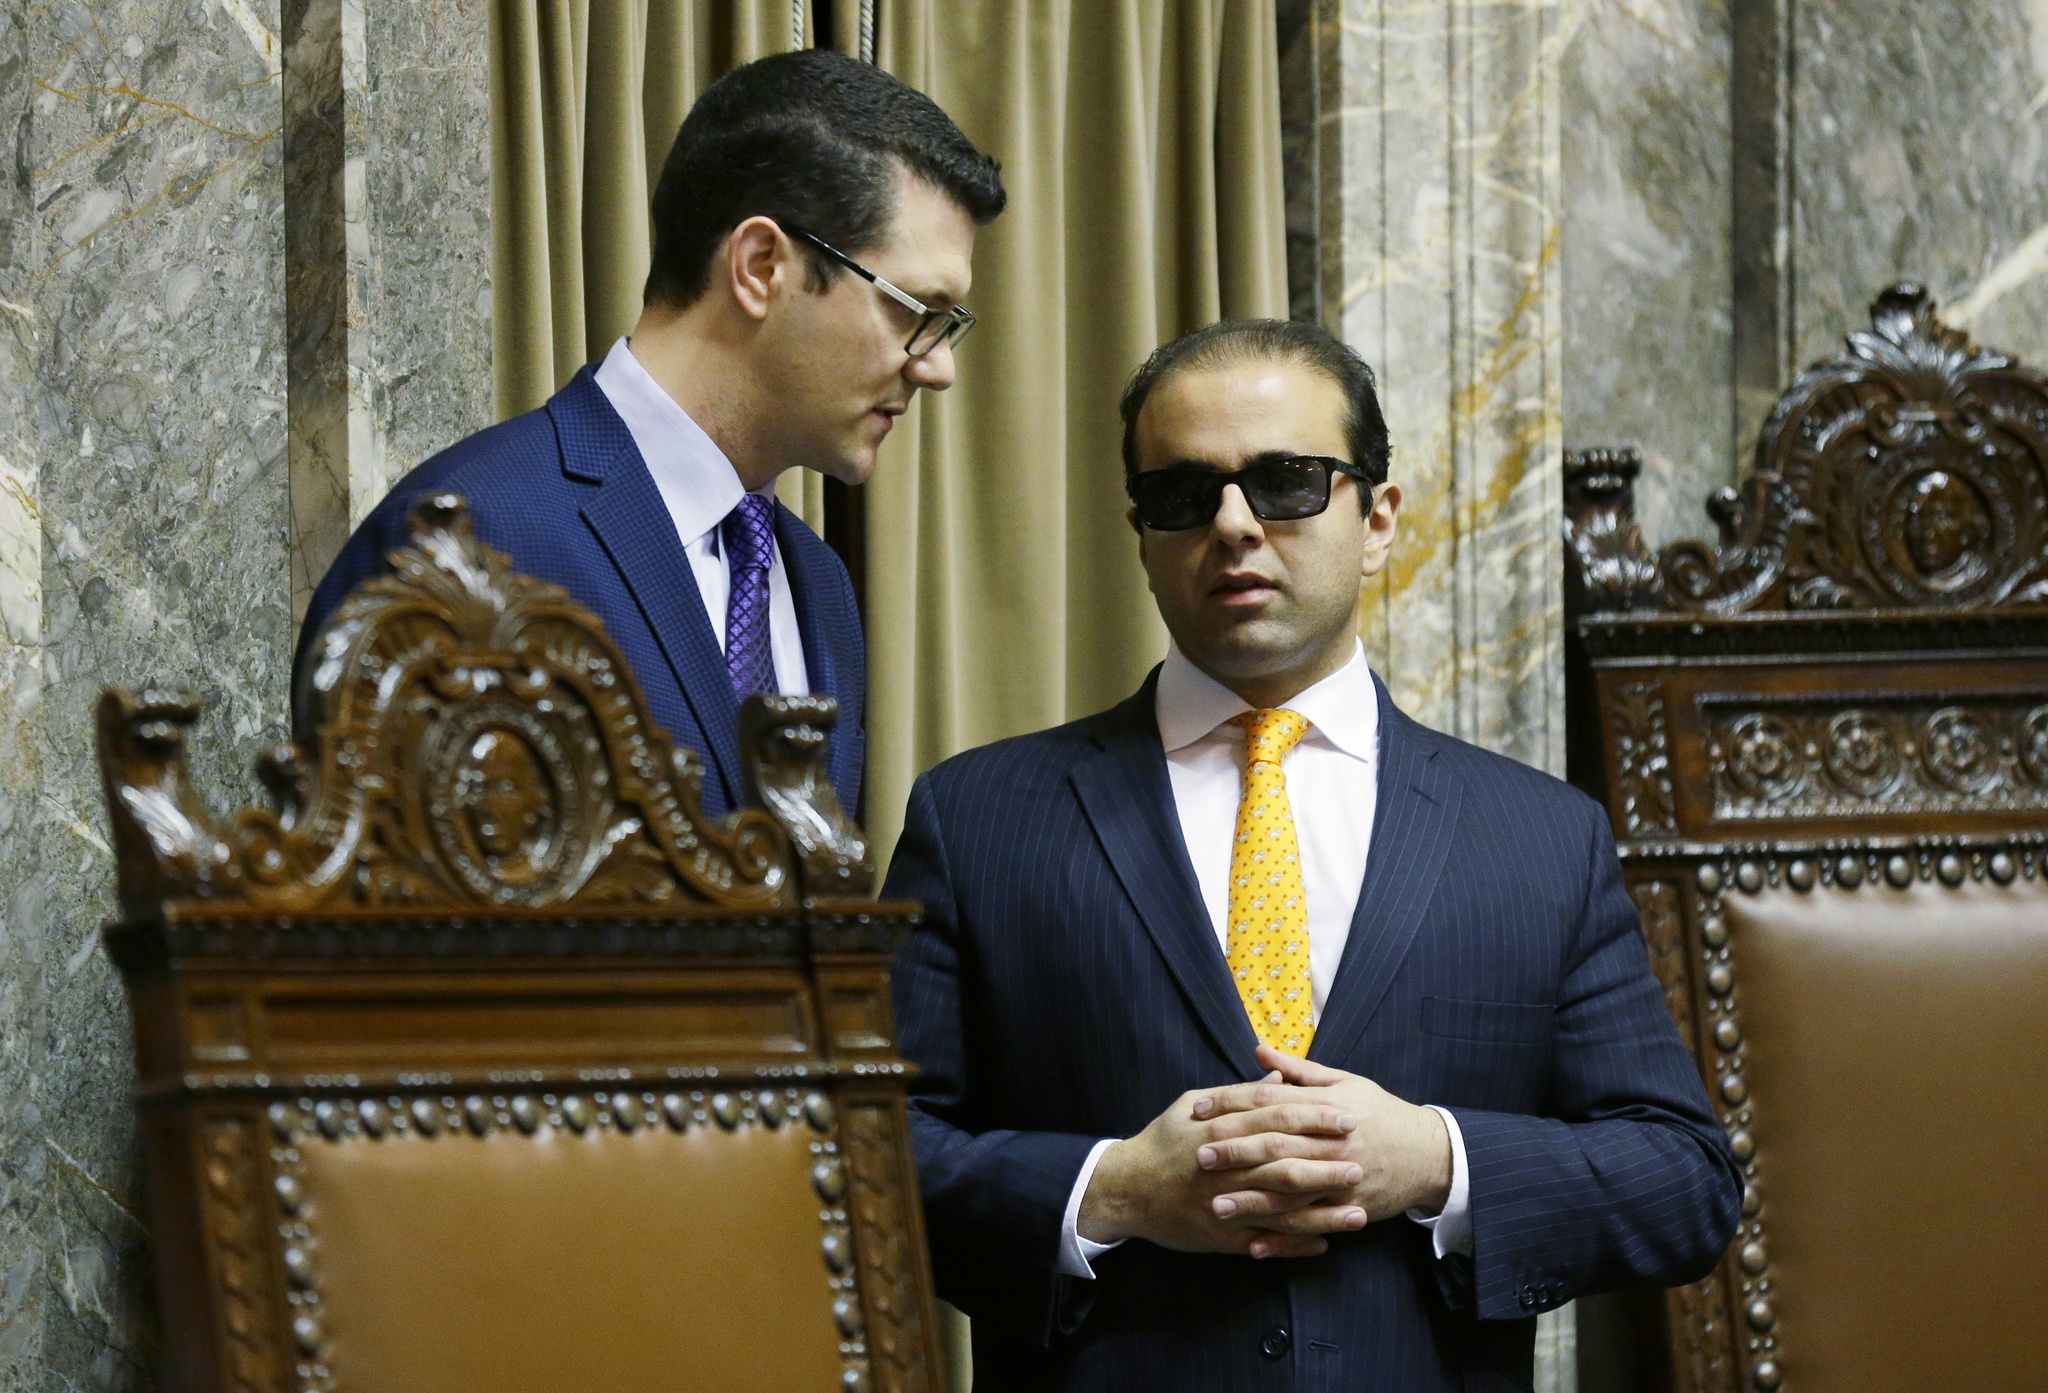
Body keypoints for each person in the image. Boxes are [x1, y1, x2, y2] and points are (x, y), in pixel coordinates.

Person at [885, 319, 1741, 1390]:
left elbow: (1682, 1182)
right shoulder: (979, 820)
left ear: (1377, 516)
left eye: (1284, 482)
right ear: (1140, 532)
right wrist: (1110, 1191)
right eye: (1183, 494)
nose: (1233, 525)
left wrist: (1431, 1160)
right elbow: (861, 1167)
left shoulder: (1539, 836)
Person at [294, 50, 1005, 817]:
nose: (937, 370)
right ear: (761, 265)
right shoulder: (467, 540)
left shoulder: (821, 586)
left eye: (946, 328)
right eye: (914, 312)